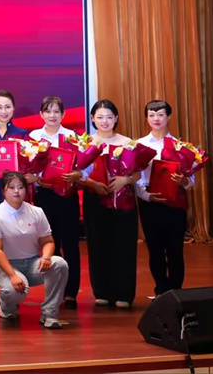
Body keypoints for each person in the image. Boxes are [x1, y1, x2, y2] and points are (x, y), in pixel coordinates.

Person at [78, 99, 141, 308]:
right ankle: (102, 291)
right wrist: (94, 184)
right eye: (100, 117)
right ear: (92, 119)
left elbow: (138, 173)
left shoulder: (127, 142)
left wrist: (125, 180)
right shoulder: (85, 143)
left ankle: (124, 293)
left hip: (122, 200)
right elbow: (78, 174)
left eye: (109, 117)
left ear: (116, 119)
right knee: (98, 244)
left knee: (124, 245)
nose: (104, 121)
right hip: (95, 198)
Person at [0, 171, 69, 329]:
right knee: (14, 291)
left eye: (21, 187)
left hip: (32, 263)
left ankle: (50, 313)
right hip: (6, 265)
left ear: (26, 189)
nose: (16, 191)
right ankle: (6, 306)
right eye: (11, 187)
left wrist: (46, 257)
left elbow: (48, 241)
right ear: (3, 191)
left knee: (59, 264)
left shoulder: (36, 212)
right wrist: (12, 275)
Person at [26, 95, 82, 309]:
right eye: (48, 111)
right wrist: (36, 177)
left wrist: (77, 174)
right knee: (50, 244)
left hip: (67, 196)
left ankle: (71, 293)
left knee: (71, 245)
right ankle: (54, 291)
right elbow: (29, 165)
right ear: (41, 114)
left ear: (63, 114)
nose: (52, 115)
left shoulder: (71, 137)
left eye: (56, 111)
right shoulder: (34, 136)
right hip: (45, 196)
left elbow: (83, 167)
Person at [135, 99, 195, 298]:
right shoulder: (139, 145)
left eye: (160, 114)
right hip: (149, 201)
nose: (156, 119)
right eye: (151, 115)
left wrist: (183, 180)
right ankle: (161, 290)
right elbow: (135, 176)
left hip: (174, 201)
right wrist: (146, 195)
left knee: (175, 248)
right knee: (155, 249)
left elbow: (191, 181)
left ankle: (176, 292)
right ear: (146, 118)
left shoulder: (181, 146)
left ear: (169, 117)